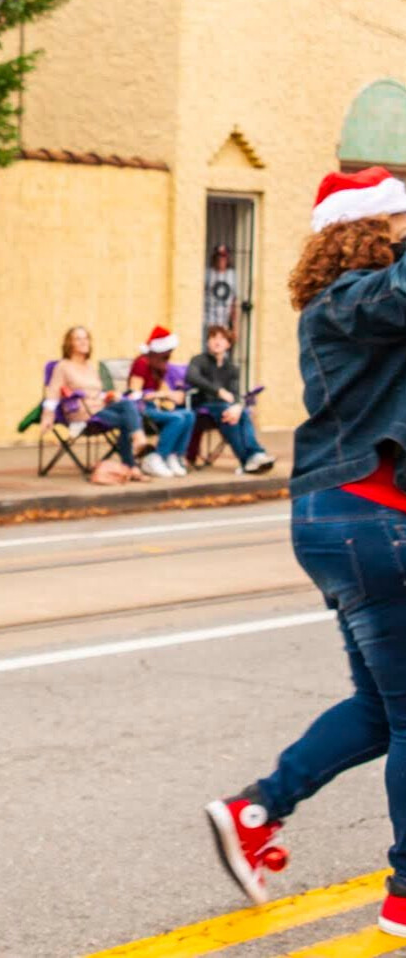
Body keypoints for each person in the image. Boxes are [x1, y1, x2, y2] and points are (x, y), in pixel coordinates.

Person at [205, 166, 406, 936]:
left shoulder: (352, 308)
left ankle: (253, 812)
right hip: (370, 520)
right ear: (372, 228)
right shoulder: (353, 299)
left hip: (339, 521)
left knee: (378, 711)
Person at [40, 326, 148, 481]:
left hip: (100, 407)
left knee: (127, 404)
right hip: (82, 412)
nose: (84, 342)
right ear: (69, 344)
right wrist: (47, 416)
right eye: (78, 339)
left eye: (86, 338)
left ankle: (135, 450)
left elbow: (97, 392)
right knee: (127, 420)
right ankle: (134, 458)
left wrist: (110, 395)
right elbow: (53, 393)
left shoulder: (90, 366)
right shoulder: (62, 366)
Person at [185, 325, 274, 474]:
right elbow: (192, 377)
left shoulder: (232, 368)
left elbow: (236, 393)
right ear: (207, 342)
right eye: (213, 338)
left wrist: (238, 406)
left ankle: (255, 456)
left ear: (228, 344)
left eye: (222, 339)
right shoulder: (198, 360)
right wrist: (218, 391)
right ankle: (249, 459)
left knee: (241, 413)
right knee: (229, 414)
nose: (217, 342)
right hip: (204, 406)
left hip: (225, 408)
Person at [128, 326, 195, 478]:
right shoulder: (142, 363)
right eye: (168, 351)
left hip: (155, 408)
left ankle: (174, 456)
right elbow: (134, 394)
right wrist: (163, 394)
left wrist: (174, 395)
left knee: (189, 415)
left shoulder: (159, 367)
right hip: (140, 410)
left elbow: (165, 393)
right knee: (177, 418)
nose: (170, 355)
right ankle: (155, 458)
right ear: (159, 351)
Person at [204, 242, 238, 347]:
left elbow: (234, 302)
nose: (221, 259)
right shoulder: (208, 273)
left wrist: (235, 327)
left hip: (224, 322)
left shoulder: (232, 275)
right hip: (208, 321)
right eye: (218, 256)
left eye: (223, 256)